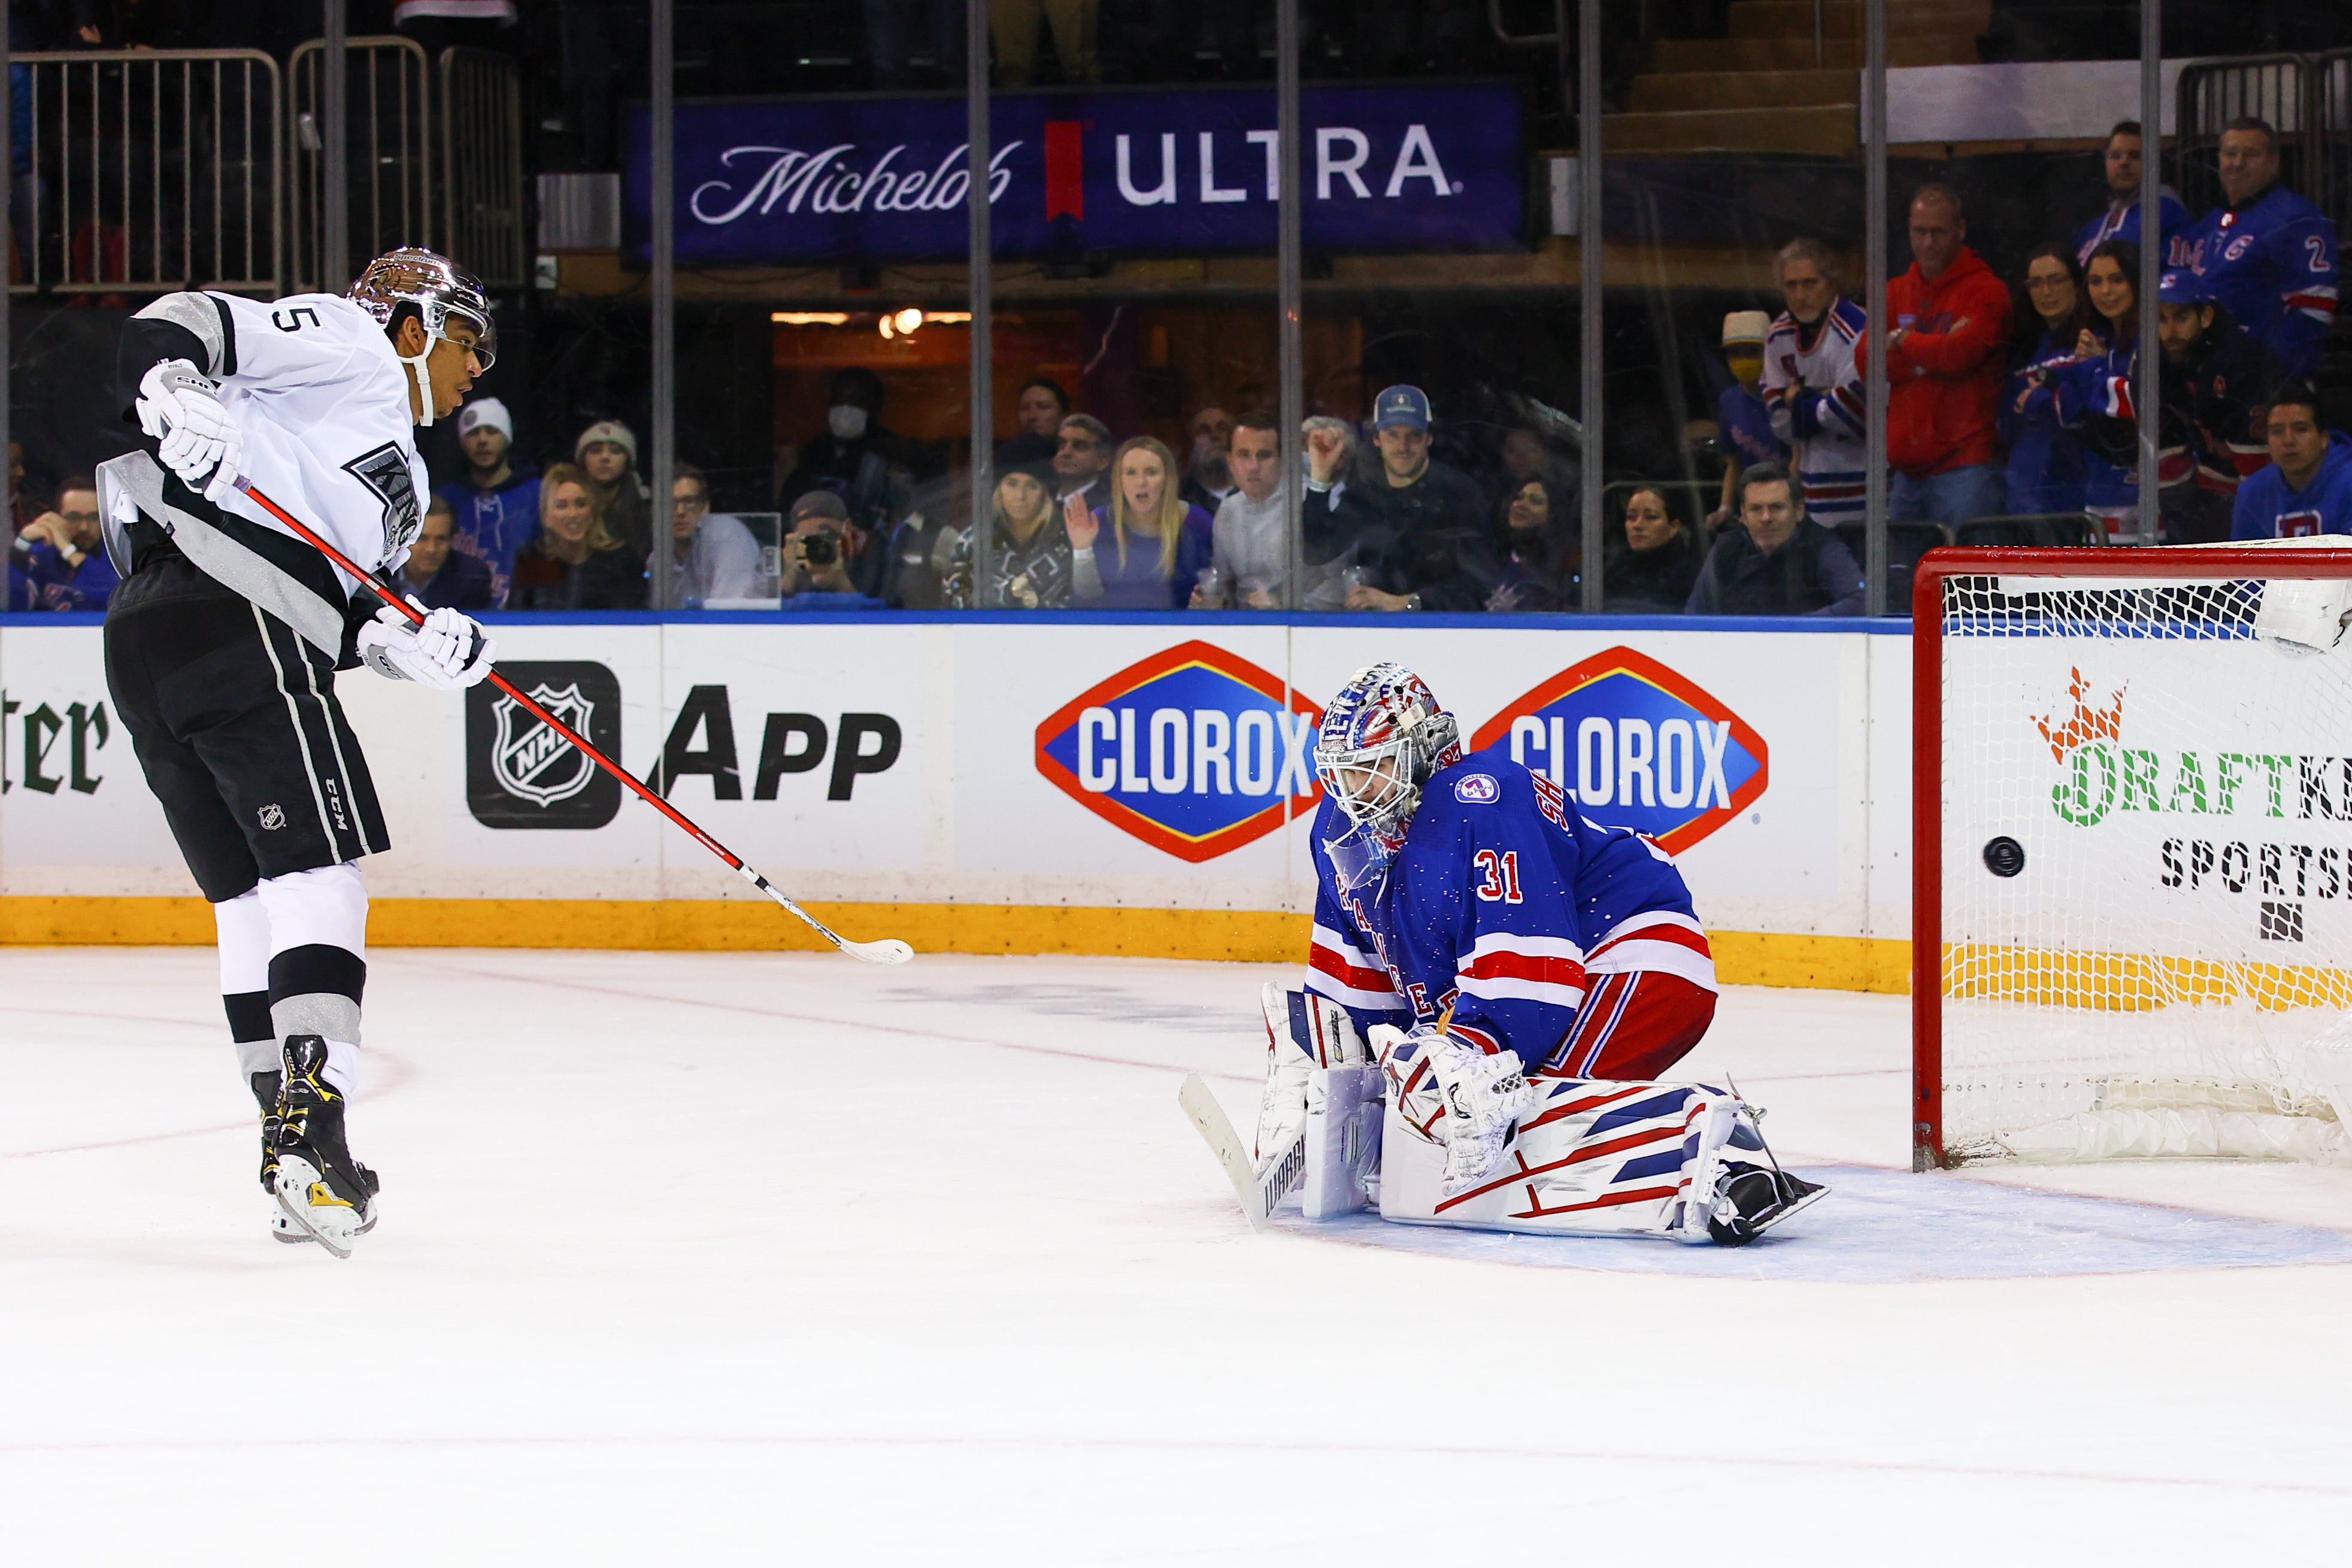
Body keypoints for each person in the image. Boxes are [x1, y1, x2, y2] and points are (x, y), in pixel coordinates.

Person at [101, 246, 501, 1255]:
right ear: (410, 323)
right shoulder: (351, 342)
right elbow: (182, 319)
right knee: (318, 876)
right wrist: (174, 388)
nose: (474, 367)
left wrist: (405, 639)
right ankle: (313, 1132)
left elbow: (336, 599)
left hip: (155, 636)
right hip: (231, 612)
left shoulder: (394, 466)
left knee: (248, 900)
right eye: (464, 339)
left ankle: (289, 1148)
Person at [1257, 662, 1814, 1242]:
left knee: (1511, 1111)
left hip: (1633, 952)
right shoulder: (1338, 833)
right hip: (1565, 975)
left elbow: (1531, 975)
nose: (1356, 791)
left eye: (1375, 768)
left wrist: (1474, 1057)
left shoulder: (1479, 799)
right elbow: (1357, 989)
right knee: (1467, 1105)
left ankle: (1723, 1164)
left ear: (1425, 751)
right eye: (1344, 773)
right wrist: (1340, 1083)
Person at [1864, 183, 2012, 527]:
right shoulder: (1894, 291)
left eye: (1938, 232)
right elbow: (1866, 362)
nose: (1928, 242)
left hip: (1967, 468)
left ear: (1960, 230)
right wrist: (1933, 350)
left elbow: (1959, 354)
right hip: (1907, 474)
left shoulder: (1987, 290)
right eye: (1920, 231)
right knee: (1900, 565)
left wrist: (1901, 339)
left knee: (1967, 565)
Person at [1302, 385, 1498, 612]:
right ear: (1377, 439)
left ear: (1429, 438)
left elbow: (1481, 584)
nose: (1403, 447)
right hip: (1377, 625)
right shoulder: (1368, 492)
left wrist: (1408, 602)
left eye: (1414, 435)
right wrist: (1320, 477)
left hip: (1441, 627)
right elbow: (1316, 552)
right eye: (1393, 435)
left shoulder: (1458, 493)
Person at [2178, 117, 2340, 383]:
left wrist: (2269, 374)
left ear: (2274, 162)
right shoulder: (2210, 222)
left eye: (2251, 154)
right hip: (2211, 379)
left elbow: (2313, 311)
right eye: (2230, 154)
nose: (2238, 163)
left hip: (2265, 384)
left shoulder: (2296, 219)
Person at [2021, 239, 2145, 542]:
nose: (2106, 291)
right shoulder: (2101, 341)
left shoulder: (2147, 341)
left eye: (2117, 280)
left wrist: (2091, 370)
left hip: (2147, 496)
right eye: (2096, 282)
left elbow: (2127, 407)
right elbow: (2077, 409)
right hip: (2102, 492)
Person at [2156, 269, 2287, 544]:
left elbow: (2258, 472)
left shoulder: (2243, 362)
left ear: (2205, 317)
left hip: (2273, 490)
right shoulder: (2155, 360)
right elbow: (2169, 456)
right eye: (2161, 319)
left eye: (2181, 317)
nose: (2170, 331)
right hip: (2210, 490)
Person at [1762, 238, 1869, 527]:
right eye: (1791, 285)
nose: (1800, 295)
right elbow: (1780, 422)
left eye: (1810, 283)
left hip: (1865, 483)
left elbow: (1853, 413)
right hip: (1811, 485)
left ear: (1831, 283)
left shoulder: (1859, 329)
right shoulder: (1778, 335)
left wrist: (1800, 401)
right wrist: (1822, 400)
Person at [1685, 463, 1863, 617]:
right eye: (1756, 509)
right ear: (1744, 514)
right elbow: (1695, 615)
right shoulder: (1725, 548)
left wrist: (1792, 630)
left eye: (1777, 507)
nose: (1766, 518)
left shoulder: (1823, 546)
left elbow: (1860, 601)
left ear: (1799, 510)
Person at [779, 366, 939, 536]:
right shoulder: (815, 453)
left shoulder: (890, 455)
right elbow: (791, 507)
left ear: (875, 408)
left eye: (856, 402)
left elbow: (911, 515)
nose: (845, 410)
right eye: (839, 400)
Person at [2000, 245, 2095, 517]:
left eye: (2056, 280)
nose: (2046, 292)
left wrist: (2039, 401)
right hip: (2022, 498)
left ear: (2077, 284)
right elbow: (2006, 422)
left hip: (2075, 499)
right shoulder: (2023, 349)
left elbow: (2084, 413)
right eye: (2036, 283)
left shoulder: (2091, 342)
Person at [1068, 435, 1212, 609]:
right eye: (1131, 473)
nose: (1141, 482)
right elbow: (1085, 604)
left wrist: (1205, 602)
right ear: (1119, 480)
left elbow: (1216, 591)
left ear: (1167, 479)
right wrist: (1082, 549)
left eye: (1151, 472)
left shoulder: (1197, 522)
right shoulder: (1098, 522)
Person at [436, 394, 538, 607]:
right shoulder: (446, 499)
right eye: (473, 433)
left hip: (525, 610)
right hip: (460, 610)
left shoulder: (537, 494)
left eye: (492, 431)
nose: (482, 440)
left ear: (507, 437)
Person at [508, 460, 650, 609]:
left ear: (593, 512)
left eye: (581, 504)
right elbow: (517, 616)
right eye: (562, 506)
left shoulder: (622, 561)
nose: (573, 514)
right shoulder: (531, 558)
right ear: (546, 517)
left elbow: (634, 618)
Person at [1194, 410, 1289, 609]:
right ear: (1230, 461)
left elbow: (1330, 592)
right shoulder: (1228, 510)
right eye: (1244, 455)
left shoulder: (1306, 505)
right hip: (1243, 623)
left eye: (1264, 455)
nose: (1253, 467)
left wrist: (1283, 608)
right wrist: (1209, 598)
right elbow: (1222, 583)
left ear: (1283, 459)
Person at [949, 464, 1075, 609]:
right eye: (1012, 484)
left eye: (1032, 486)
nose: (1020, 496)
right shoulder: (974, 540)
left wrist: (1039, 606)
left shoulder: (1068, 542)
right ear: (999, 490)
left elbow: (1082, 605)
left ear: (1044, 494)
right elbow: (953, 593)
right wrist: (1007, 593)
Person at [2232, 389, 2352, 539]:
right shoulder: (2251, 493)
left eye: (2301, 430)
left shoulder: (2348, 484)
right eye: (2277, 432)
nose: (2288, 441)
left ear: (2324, 438)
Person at [2074, 120, 2189, 269]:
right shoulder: (2090, 230)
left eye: (2135, 156)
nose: (2124, 162)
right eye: (2115, 156)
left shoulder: (2166, 216)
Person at [1714, 310, 1786, 530]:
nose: (1744, 360)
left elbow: (1799, 458)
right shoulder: (1729, 401)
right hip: (1753, 506)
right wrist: (1725, 508)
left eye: (1753, 352)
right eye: (1735, 353)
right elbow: (1734, 462)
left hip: (1788, 503)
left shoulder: (1785, 396)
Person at [8, 474, 120, 611]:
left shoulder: (118, 556)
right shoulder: (42, 554)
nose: (84, 527)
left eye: (93, 518)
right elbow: (12, 607)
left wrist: (70, 552)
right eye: (73, 517)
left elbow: (114, 599)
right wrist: (20, 548)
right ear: (56, 517)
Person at [666, 463, 766, 604]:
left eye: (689, 501)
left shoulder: (726, 535)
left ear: (705, 507)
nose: (680, 511)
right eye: (670, 503)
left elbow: (727, 610)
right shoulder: (658, 560)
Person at [1602, 486, 1704, 614]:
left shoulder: (1688, 578)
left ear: (1674, 527)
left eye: (1651, 517)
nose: (1638, 525)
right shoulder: (1613, 569)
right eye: (1631, 517)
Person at [780, 492, 887, 610]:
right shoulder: (788, 559)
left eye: (828, 536)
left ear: (848, 528)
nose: (819, 547)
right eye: (809, 540)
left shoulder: (874, 557)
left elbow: (881, 614)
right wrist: (788, 581)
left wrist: (841, 583)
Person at [1485, 476, 1572, 612]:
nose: (1521, 505)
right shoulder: (1489, 560)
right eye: (1519, 498)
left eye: (1535, 502)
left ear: (1552, 515)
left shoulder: (1559, 571)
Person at [393, 494, 494, 610]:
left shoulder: (471, 577)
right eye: (422, 538)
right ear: (404, 538)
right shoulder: (381, 570)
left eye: (441, 539)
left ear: (452, 539)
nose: (431, 549)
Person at [575, 419, 651, 559]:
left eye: (616, 451)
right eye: (596, 451)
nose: (605, 457)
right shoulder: (570, 509)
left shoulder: (646, 512)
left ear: (628, 461)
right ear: (583, 459)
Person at [996, 377, 1071, 468]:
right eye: (1024, 408)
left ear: (1064, 416)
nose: (1031, 416)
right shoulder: (1009, 455)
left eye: (1044, 407)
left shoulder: (1077, 456)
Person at [1178, 405, 1238, 515]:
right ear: (1191, 444)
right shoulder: (1179, 498)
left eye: (1222, 428)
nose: (1215, 435)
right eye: (1204, 431)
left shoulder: (1256, 490)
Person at [1050, 413, 1114, 509]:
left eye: (1080, 446)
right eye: (1062, 445)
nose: (1066, 452)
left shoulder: (1108, 508)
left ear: (1103, 460)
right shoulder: (1042, 496)